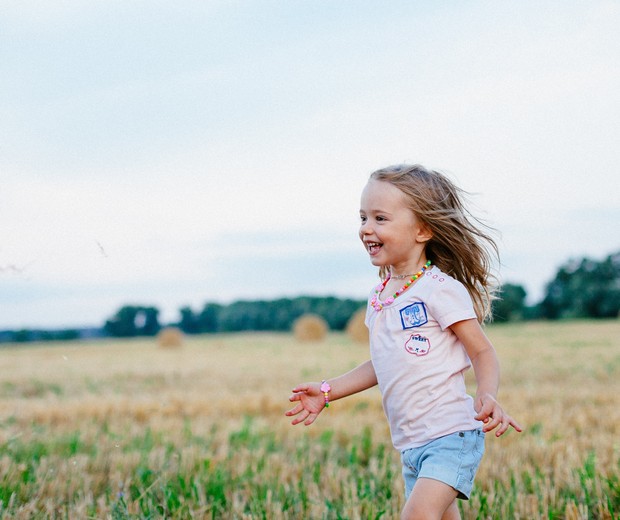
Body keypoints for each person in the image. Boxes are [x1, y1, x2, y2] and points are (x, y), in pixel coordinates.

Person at [285, 164, 522, 520]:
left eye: (380, 218)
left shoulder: (440, 290)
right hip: (411, 445)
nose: (366, 228)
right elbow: (382, 362)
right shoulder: (380, 296)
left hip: (450, 436)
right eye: (363, 217)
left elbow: (481, 350)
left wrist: (487, 394)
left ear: (423, 229)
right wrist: (328, 390)